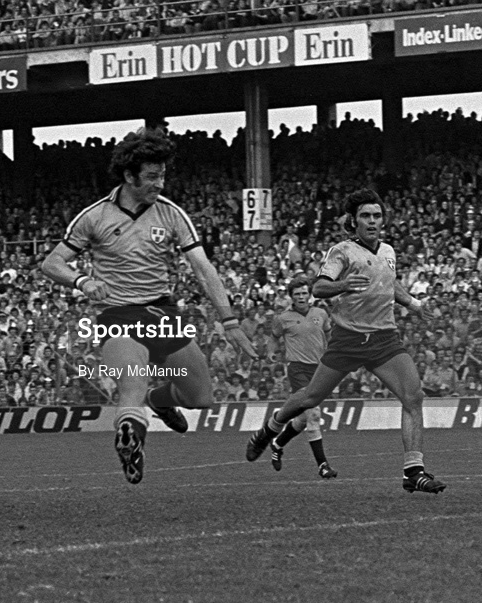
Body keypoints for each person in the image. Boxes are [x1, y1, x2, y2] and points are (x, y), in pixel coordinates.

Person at [41, 128, 256, 484]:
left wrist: (230, 322)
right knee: (131, 382)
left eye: (163, 175)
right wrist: (83, 281)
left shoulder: (171, 214)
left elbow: (204, 269)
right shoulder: (94, 217)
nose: (160, 183)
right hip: (117, 316)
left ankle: (160, 399)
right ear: (129, 176)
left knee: (201, 398)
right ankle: (132, 441)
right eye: (153, 177)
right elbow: (52, 263)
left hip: (163, 315)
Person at [244, 188, 446, 494]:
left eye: (377, 215)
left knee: (413, 395)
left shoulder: (388, 252)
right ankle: (270, 428)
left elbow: (391, 286)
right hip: (347, 339)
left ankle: (413, 471)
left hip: (384, 338)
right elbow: (320, 287)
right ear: (353, 220)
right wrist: (342, 285)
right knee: (310, 398)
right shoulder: (342, 251)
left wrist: (416, 306)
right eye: (365, 215)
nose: (372, 221)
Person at [268, 277, 337, 479]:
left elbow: (329, 334)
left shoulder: (321, 314)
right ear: (291, 297)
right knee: (313, 415)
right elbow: (274, 337)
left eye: (304, 293)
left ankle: (278, 443)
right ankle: (323, 465)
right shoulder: (283, 318)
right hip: (297, 369)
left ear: (310, 295)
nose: (301, 297)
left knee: (303, 418)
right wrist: (271, 352)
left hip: (319, 369)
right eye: (297, 294)